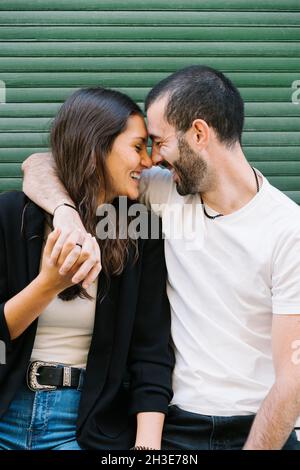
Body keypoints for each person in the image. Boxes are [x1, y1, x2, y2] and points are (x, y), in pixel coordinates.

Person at [22, 65, 300, 450]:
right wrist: (66, 212)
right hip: (176, 429)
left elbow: (293, 380)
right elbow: (43, 164)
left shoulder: (288, 230)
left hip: (258, 429)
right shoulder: (163, 192)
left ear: (199, 134)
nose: (151, 159)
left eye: (158, 142)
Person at [0, 87, 174, 450]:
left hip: (83, 427)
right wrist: (48, 284)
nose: (147, 161)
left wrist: (147, 449)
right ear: (97, 147)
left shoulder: (139, 232)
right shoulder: (10, 216)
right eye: (137, 146)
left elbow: (151, 352)